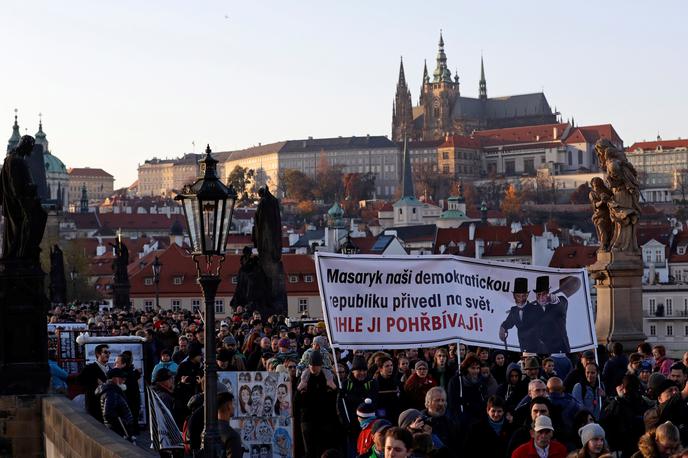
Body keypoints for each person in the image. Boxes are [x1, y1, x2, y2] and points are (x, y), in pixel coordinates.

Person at [296, 350, 339, 458]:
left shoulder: (328, 377)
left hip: (324, 419)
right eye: (311, 365)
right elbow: (296, 402)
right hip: (307, 419)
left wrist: (333, 388)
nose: (313, 368)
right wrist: (299, 390)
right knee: (309, 451)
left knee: (323, 449)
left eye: (316, 365)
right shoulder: (304, 377)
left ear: (321, 365)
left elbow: (336, 399)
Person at [600, 374, 651, 458]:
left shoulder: (618, 404)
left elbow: (606, 422)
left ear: (623, 387)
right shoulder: (643, 403)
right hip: (640, 447)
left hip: (621, 448)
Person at [499, 277, 541, 353]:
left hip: (537, 348)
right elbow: (508, 323)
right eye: (518, 296)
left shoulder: (535, 309)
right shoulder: (514, 310)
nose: (521, 299)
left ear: (527, 295)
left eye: (523, 296)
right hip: (523, 347)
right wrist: (502, 328)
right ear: (514, 296)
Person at [96, 368, 135, 442]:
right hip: (120, 432)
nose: (124, 381)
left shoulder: (113, 390)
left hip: (120, 431)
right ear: (115, 378)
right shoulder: (111, 392)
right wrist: (124, 424)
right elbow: (108, 413)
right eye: (122, 378)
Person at [533, 276, 570, 353]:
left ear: (548, 293)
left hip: (560, 349)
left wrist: (556, 301)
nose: (541, 297)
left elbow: (563, 304)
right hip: (542, 351)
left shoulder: (559, 302)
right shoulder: (534, 308)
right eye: (538, 294)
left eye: (543, 294)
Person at [78, 344, 110, 422]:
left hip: (107, 407)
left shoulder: (110, 369)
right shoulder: (90, 368)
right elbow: (80, 381)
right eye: (105, 352)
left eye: (109, 352)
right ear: (98, 354)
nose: (108, 354)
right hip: (94, 406)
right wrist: (95, 381)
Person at [420, 387, 456, 451]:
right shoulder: (419, 421)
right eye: (437, 400)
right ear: (428, 403)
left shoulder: (451, 421)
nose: (441, 404)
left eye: (443, 400)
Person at [217, 392, 243, 457]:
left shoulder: (208, 430)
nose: (234, 407)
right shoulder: (232, 436)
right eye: (232, 404)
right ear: (228, 406)